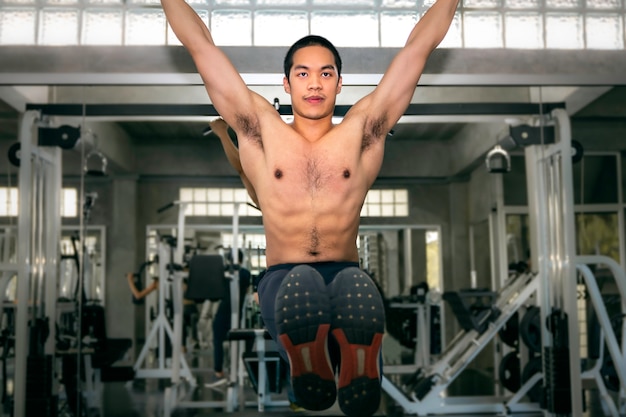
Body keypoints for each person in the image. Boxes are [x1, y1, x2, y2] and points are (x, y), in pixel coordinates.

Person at [160, 1, 459, 414]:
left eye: (326, 73)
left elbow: (417, 50)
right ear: (286, 83)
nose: (314, 83)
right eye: (303, 73)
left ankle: (350, 365)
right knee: (302, 283)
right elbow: (200, 46)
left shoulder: (363, 130)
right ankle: (310, 368)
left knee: (348, 293)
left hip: (346, 276)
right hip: (284, 277)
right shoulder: (259, 129)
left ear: (340, 83)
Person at [209, 249, 251, 384]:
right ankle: (237, 368)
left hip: (224, 309)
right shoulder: (246, 274)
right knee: (237, 339)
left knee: (217, 339)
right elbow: (245, 290)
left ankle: (218, 371)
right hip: (237, 311)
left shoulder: (225, 272)